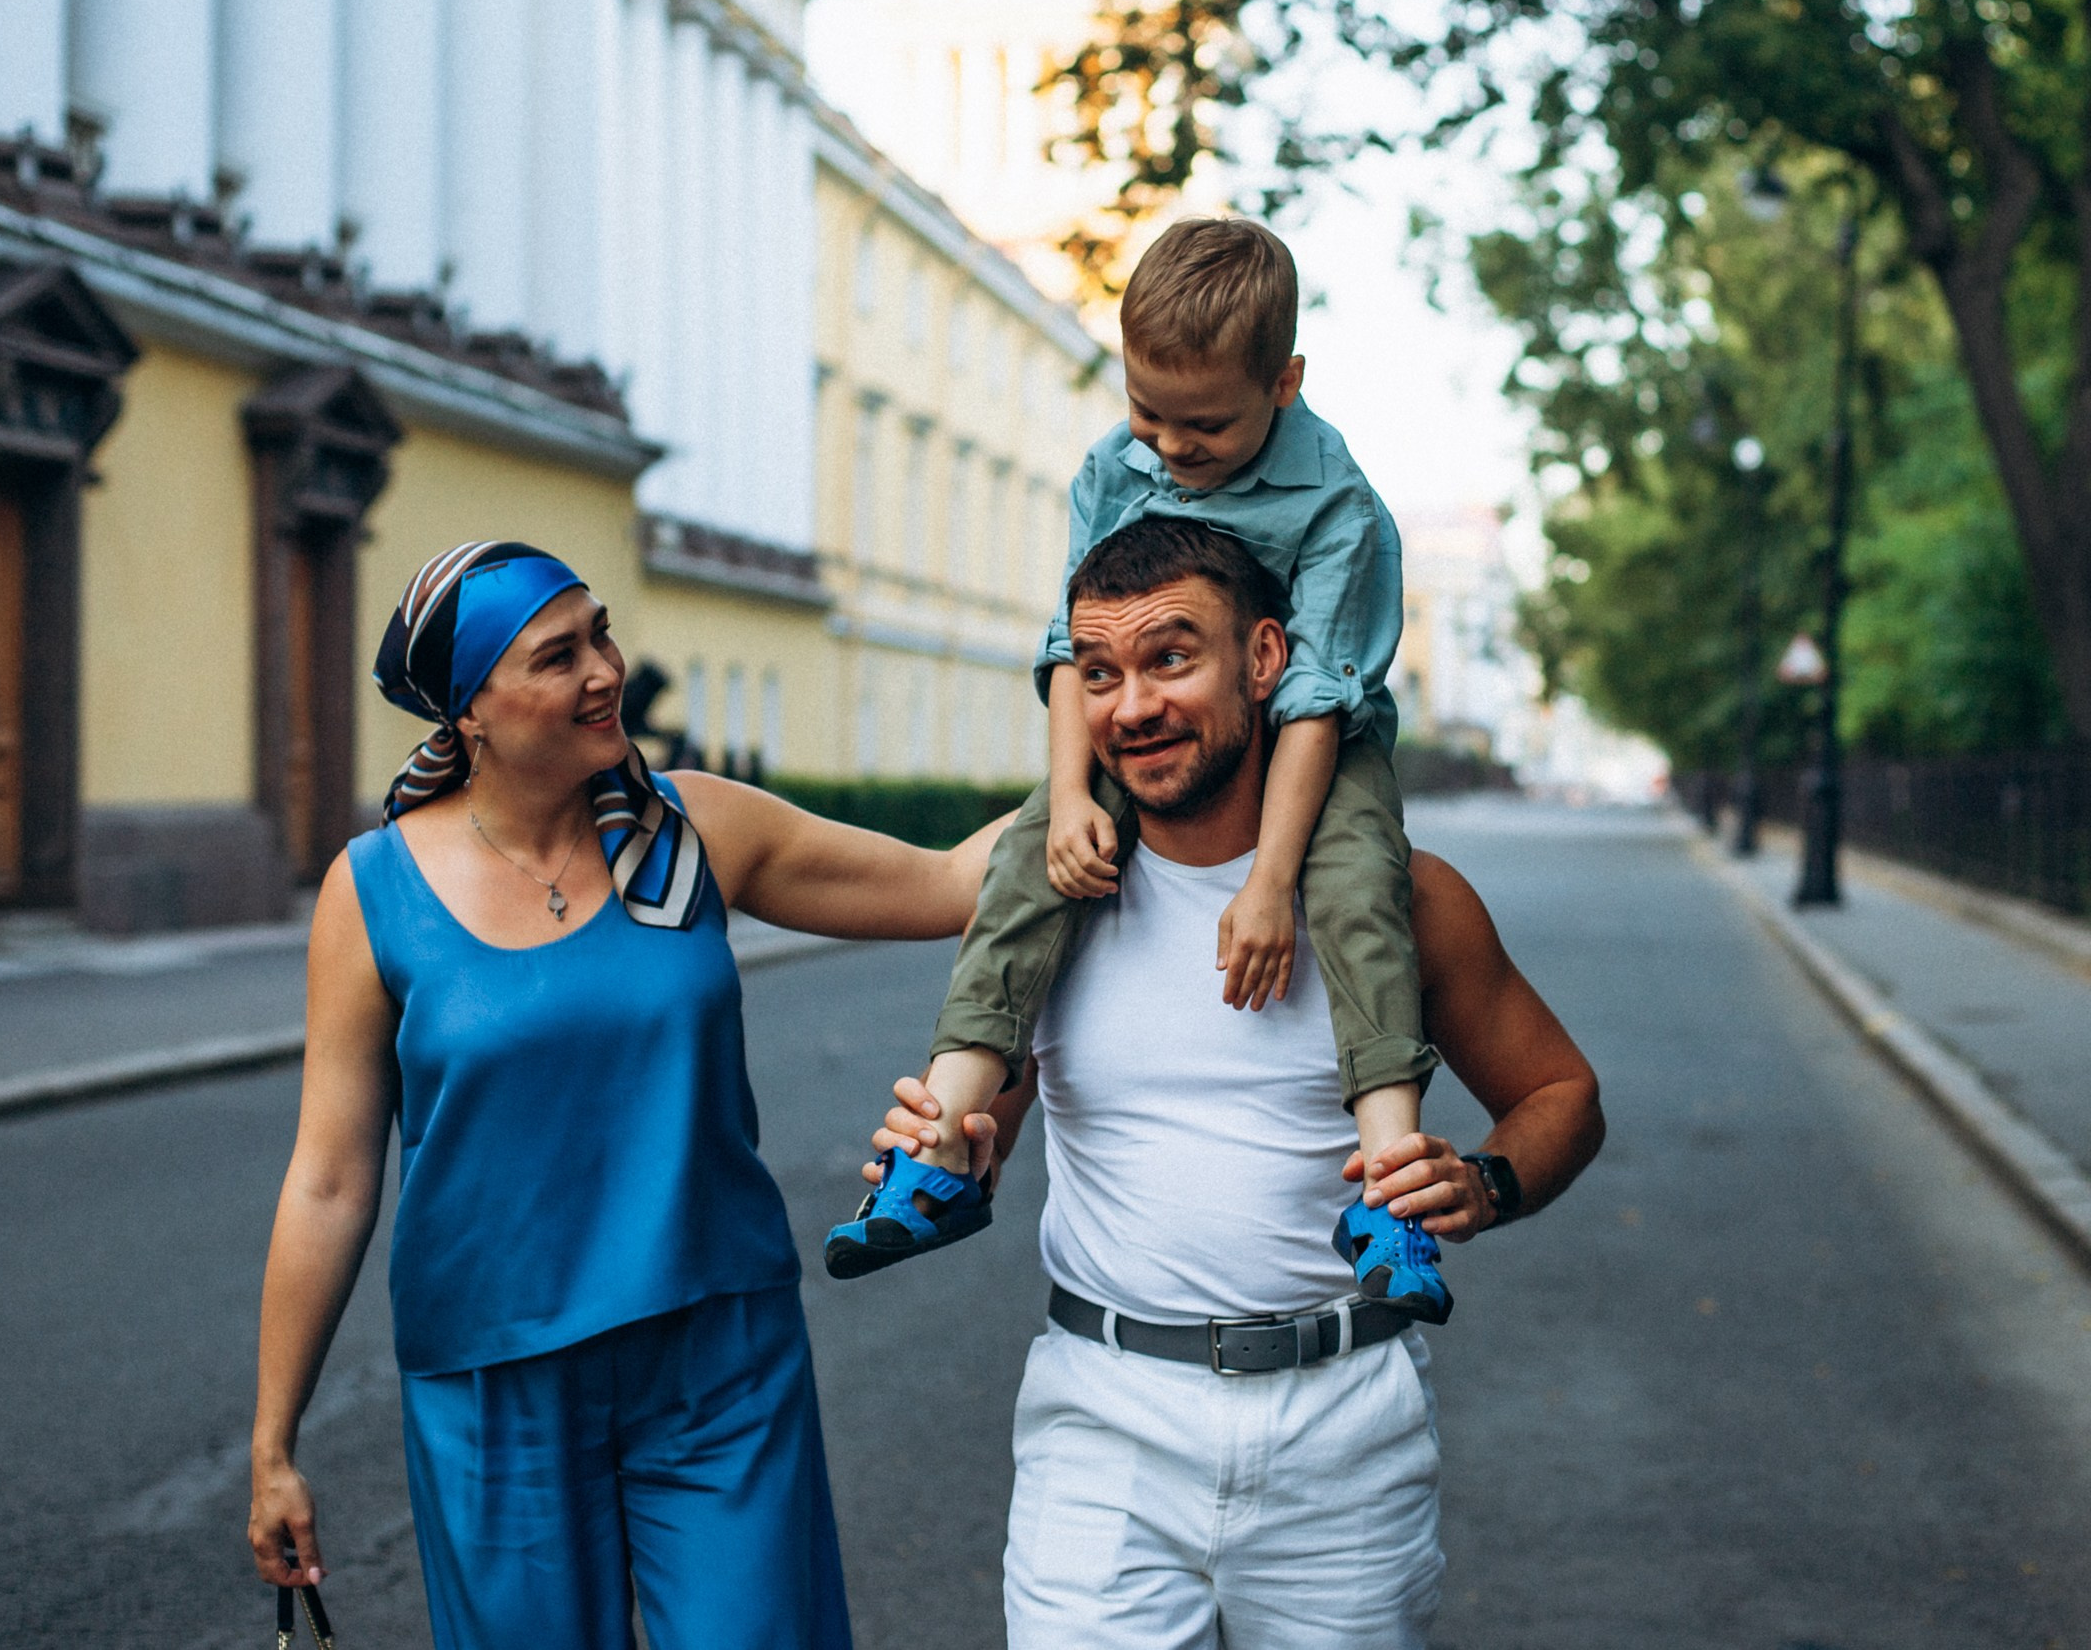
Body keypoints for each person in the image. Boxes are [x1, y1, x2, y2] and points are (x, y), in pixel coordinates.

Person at [245, 540, 1006, 1650]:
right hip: (492, 1381)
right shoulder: (373, 892)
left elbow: (950, 883)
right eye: (558, 656)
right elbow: (329, 1177)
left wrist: (1117, 746)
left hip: (719, 1359)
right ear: (472, 715)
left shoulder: (693, 831)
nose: (605, 669)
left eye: (600, 632)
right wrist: (274, 1443)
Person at [864, 518, 1602, 1647]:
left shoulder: (1399, 900)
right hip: (1103, 1426)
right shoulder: (1055, 897)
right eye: (1100, 673)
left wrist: (1487, 1183)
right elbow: (981, 1125)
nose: (1132, 706)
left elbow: (1561, 1093)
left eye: (1171, 658)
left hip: (1344, 1430)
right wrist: (948, 1140)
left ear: (1264, 661)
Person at [826, 217, 1448, 1320]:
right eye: (1146, 409)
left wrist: (1269, 883)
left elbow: (1310, 696)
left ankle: (1390, 1195)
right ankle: (939, 1152)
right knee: (1031, 866)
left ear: (1286, 382)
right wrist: (1067, 800)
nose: (1169, 444)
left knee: (1358, 892)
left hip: (1320, 742)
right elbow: (1075, 645)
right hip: (1151, 712)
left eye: (1204, 423)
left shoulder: (1336, 505)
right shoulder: (1118, 466)